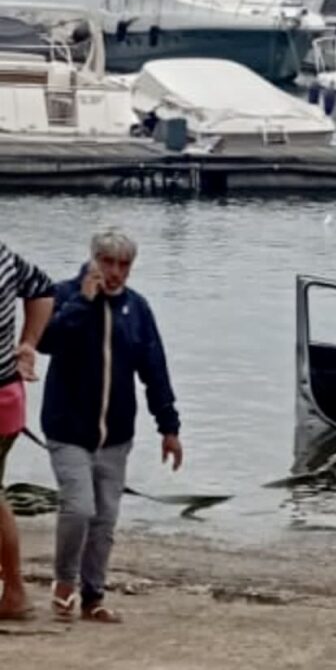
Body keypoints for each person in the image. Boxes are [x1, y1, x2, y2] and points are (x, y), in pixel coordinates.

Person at [38, 228, 183, 623]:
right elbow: (46, 341)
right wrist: (84, 302)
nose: (115, 272)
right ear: (93, 259)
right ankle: (64, 582)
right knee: (79, 508)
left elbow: (155, 370)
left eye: (124, 265)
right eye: (108, 262)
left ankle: (93, 596)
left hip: (116, 435)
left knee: (104, 519)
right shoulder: (65, 295)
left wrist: (169, 428)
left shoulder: (137, 309)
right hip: (67, 429)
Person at [0, 242, 54, 621]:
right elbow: (41, 287)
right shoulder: (3, 255)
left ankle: (16, 592)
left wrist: (29, 344)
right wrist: (28, 344)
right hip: (8, 395)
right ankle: (15, 591)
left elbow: (41, 288)